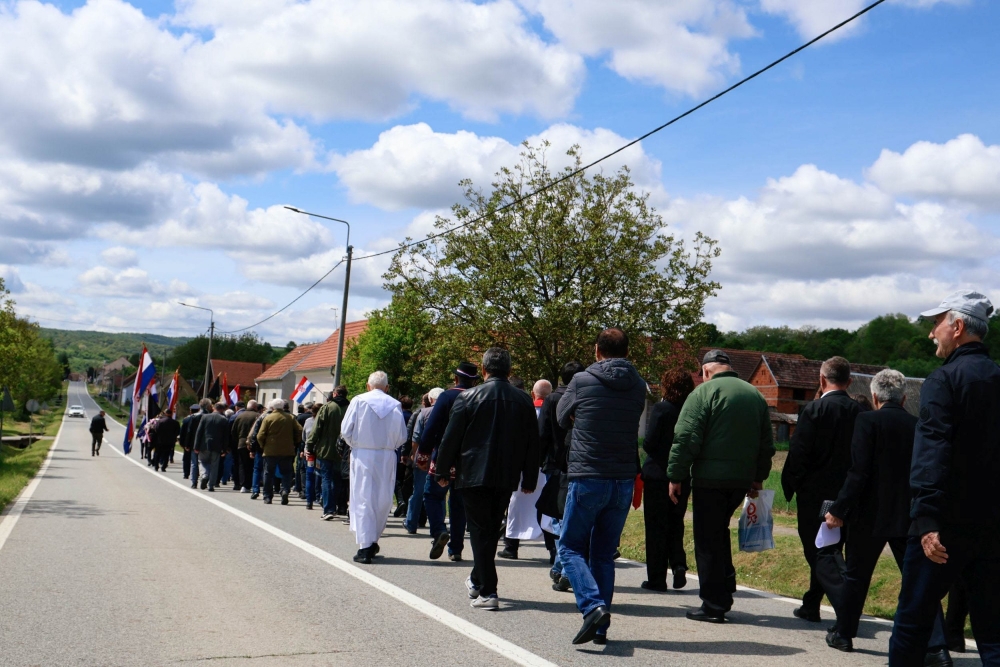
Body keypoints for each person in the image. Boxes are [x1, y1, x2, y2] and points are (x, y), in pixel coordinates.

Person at [890, 291, 1000, 666]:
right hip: (992, 525)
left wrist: (925, 519)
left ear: (957, 326)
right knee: (992, 629)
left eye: (936, 324)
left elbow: (932, 451)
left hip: (946, 524)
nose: (931, 333)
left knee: (912, 621)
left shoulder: (944, 380)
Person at [823, 370, 951, 664]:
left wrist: (839, 509)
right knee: (920, 582)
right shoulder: (916, 425)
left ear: (875, 397)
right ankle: (937, 647)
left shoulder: (867, 420)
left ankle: (844, 633)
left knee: (857, 577)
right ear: (905, 398)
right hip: (909, 515)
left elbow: (859, 471)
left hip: (870, 514)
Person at [668, 349, 774, 624]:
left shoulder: (702, 394)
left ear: (705, 371)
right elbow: (766, 445)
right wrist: (758, 477)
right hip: (741, 480)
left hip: (710, 479)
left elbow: (686, 438)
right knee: (719, 531)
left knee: (707, 539)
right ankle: (725, 583)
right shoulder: (755, 395)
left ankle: (714, 604)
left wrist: (676, 476)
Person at [556, 328, 647, 645]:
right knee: (604, 555)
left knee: (569, 547)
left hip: (588, 475)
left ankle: (592, 606)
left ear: (597, 350)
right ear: (627, 352)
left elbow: (560, 415)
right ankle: (600, 627)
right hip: (622, 478)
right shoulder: (639, 386)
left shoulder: (581, 380)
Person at [434, 347, 541, 610]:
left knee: (482, 531)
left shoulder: (468, 398)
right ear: (509, 371)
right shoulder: (523, 400)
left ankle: (488, 590)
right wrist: (529, 478)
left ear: (483, 371)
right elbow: (532, 444)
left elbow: (451, 438)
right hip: (506, 474)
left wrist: (442, 470)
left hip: (473, 472)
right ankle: (476, 579)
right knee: (490, 530)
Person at [781, 356, 864, 624]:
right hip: (847, 495)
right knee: (831, 548)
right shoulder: (860, 413)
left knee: (817, 551)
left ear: (821, 379)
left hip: (815, 494)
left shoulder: (814, 410)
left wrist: (792, 484)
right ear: (849, 381)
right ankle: (812, 603)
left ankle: (845, 608)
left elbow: (799, 453)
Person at [341, 371, 408, 564]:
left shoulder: (359, 401)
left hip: (363, 454)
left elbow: (346, 429)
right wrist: (388, 445)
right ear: (387, 388)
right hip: (386, 455)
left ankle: (365, 546)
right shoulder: (395, 405)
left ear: (367, 385)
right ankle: (372, 539)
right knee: (382, 499)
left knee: (363, 498)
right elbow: (402, 436)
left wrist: (356, 443)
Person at [417, 363, 479, 561]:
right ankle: (456, 548)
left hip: (443, 456)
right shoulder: (480, 396)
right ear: (475, 380)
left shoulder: (446, 396)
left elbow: (431, 426)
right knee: (459, 504)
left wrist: (423, 454)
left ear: (455, 379)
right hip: (469, 460)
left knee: (433, 496)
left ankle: (439, 531)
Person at [641, 368, 695, 592]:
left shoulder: (662, 409)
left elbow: (650, 442)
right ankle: (679, 563)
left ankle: (656, 578)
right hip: (682, 475)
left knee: (655, 527)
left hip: (657, 475)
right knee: (676, 523)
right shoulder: (691, 411)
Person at [539, 361, 585, 591]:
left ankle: (564, 566)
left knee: (559, 518)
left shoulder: (552, 399)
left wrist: (537, 461)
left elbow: (543, 433)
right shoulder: (586, 397)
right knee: (570, 517)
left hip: (555, 464)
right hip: (579, 463)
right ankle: (562, 566)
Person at [499, 379, 552, 560]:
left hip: (522, 465)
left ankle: (511, 546)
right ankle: (553, 551)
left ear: (532, 393)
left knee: (516, 505)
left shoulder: (522, 410)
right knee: (550, 507)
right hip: (546, 466)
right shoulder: (556, 411)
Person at [404, 388, 443, 534]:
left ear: (431, 400)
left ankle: (411, 522)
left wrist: (415, 455)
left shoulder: (424, 413)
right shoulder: (451, 411)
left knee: (418, 491)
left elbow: (416, 437)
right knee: (439, 493)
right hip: (441, 457)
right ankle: (439, 526)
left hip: (424, 456)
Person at [257, 399, 303, 506]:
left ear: (272, 407)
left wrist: (263, 445)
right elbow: (299, 430)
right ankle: (285, 490)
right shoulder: (290, 418)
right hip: (287, 450)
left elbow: (260, 435)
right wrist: (295, 442)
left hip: (270, 450)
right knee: (286, 472)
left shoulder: (268, 418)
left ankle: (268, 496)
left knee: (268, 473)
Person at [306, 394, 343, 519]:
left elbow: (316, 429)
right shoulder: (350, 407)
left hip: (326, 450)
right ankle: (338, 506)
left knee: (326, 478)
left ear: (335, 395)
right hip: (344, 451)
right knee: (337, 479)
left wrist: (309, 446)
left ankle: (328, 509)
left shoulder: (327, 407)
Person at [193, 402, 230, 492]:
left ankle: (204, 475)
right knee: (214, 465)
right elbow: (226, 436)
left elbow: (199, 432)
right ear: (222, 409)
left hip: (204, 444)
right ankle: (211, 485)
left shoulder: (205, 417)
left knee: (202, 461)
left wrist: (196, 446)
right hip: (217, 446)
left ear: (214, 408)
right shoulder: (224, 420)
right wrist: (225, 449)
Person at [230, 400, 258, 493]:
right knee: (252, 465)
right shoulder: (257, 416)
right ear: (255, 407)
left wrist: (238, 439)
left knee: (242, 464)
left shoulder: (239, 416)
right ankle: (250, 484)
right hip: (253, 443)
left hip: (241, 443)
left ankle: (243, 485)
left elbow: (233, 431)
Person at [394, 395, 414, 518]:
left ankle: (401, 502)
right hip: (411, 453)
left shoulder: (398, 416)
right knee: (406, 482)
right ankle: (404, 506)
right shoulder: (413, 416)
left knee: (396, 480)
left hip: (399, 452)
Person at [181, 401, 209, 485]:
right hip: (205, 444)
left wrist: (185, 444)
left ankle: (193, 481)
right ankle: (205, 477)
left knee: (194, 463)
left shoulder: (189, 418)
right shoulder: (209, 416)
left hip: (193, 443)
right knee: (205, 462)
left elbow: (187, 432)